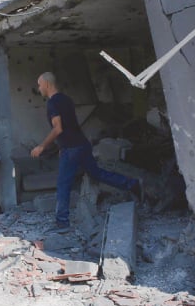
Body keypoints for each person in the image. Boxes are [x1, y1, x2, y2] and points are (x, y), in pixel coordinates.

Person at [31, 72, 138, 233]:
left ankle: (62, 223)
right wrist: (61, 147)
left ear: (46, 84)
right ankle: (132, 184)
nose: (39, 88)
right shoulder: (66, 99)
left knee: (63, 184)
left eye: (39, 85)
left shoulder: (53, 103)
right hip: (82, 144)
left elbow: (58, 128)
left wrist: (42, 146)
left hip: (72, 149)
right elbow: (70, 125)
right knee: (97, 173)